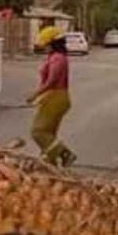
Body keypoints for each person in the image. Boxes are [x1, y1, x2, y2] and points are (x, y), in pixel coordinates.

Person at [27, 26, 77, 167]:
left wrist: (35, 94)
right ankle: (51, 163)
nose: (44, 48)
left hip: (56, 98)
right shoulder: (53, 57)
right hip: (52, 97)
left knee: (38, 131)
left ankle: (65, 154)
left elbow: (52, 81)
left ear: (53, 44)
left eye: (46, 45)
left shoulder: (58, 59)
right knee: (49, 134)